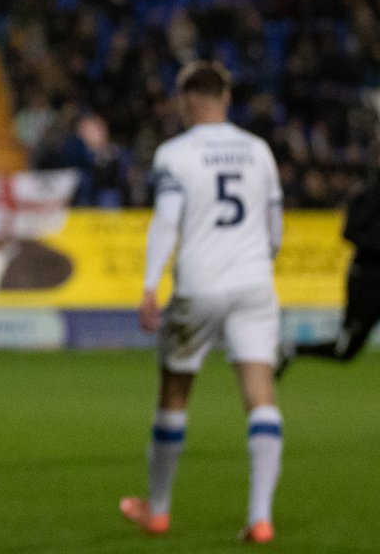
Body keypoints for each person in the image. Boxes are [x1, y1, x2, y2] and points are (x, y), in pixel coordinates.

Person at [119, 61, 284, 545]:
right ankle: (260, 518)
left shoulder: (175, 153)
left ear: (186, 100)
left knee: (174, 396)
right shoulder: (259, 151)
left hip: (198, 286)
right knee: (260, 398)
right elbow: (275, 228)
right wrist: (258, 262)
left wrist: (150, 285)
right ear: (225, 97)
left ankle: (160, 511)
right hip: (254, 283)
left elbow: (166, 222)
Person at [290, 176, 380, 362]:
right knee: (344, 351)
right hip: (367, 282)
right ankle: (292, 349)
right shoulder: (367, 195)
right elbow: (349, 232)